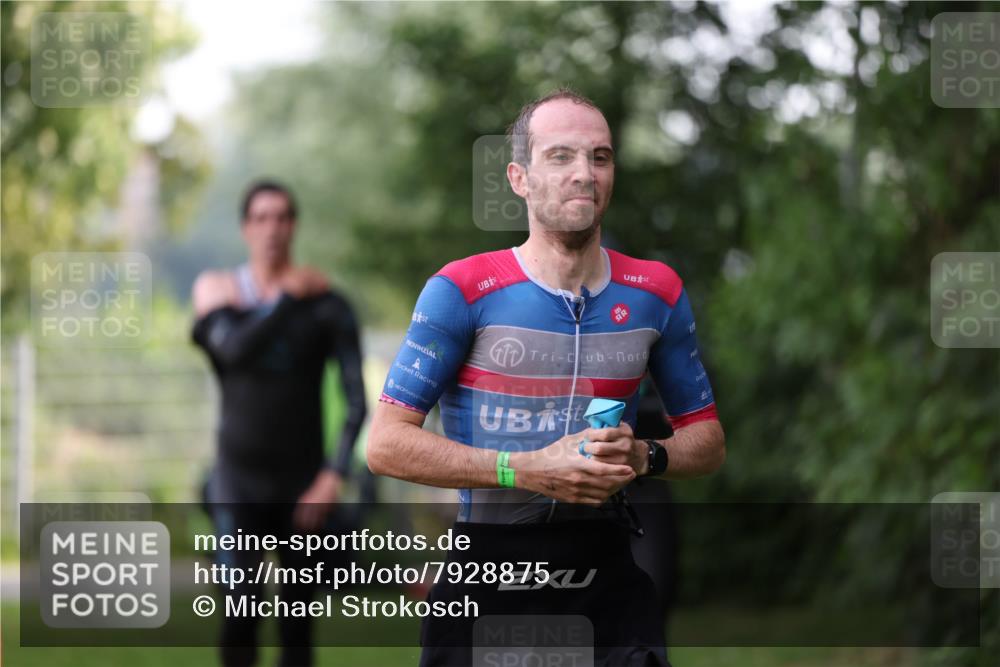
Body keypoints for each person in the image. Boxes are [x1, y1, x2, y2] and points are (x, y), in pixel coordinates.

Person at [368, 89, 725, 666]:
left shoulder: (656, 292)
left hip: (604, 569)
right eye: (561, 156)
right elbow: (385, 444)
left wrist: (644, 458)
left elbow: (707, 443)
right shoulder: (462, 291)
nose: (584, 173)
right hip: (488, 568)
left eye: (600, 157)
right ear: (519, 178)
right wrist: (523, 468)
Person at [191, 180, 367, 667]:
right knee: (238, 613)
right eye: (262, 218)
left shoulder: (327, 307)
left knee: (296, 623)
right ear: (246, 227)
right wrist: (286, 295)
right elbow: (232, 350)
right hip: (237, 482)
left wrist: (332, 477)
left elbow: (357, 402)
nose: (272, 228)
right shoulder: (217, 291)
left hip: (304, 486)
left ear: (294, 225)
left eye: (282, 217)